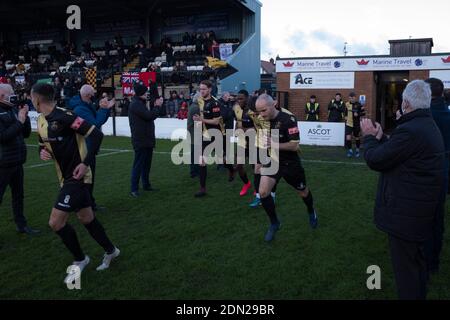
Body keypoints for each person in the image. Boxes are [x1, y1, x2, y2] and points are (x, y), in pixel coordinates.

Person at [361, 80, 445, 300]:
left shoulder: (411, 129)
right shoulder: (423, 124)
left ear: (405, 103)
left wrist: (369, 137)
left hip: (407, 214)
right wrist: (382, 138)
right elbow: (401, 152)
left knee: (407, 272)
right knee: (415, 265)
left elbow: (376, 160)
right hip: (418, 210)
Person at [33, 83, 120, 284]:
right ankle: (111, 250)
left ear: (36, 99)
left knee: (55, 222)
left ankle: (80, 259)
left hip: (78, 178)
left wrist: (85, 164)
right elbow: (41, 143)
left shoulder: (66, 116)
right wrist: (41, 152)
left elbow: (96, 134)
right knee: (86, 217)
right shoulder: (40, 120)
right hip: (64, 178)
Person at [255, 94, 318, 242]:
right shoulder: (261, 120)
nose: (261, 115)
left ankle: (311, 211)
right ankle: (274, 223)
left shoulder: (288, 119)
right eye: (259, 112)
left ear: (274, 104)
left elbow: (294, 145)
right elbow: (262, 141)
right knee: (263, 192)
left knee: (303, 192)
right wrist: (259, 159)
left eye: (264, 110)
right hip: (273, 160)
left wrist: (273, 144)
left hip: (291, 163)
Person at [0, 84, 40, 235]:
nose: (14, 95)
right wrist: (20, 121)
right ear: (1, 95)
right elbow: (3, 137)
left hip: (17, 161)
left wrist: (25, 118)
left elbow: (26, 134)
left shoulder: (13, 109)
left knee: (18, 195)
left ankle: (21, 225)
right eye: (10, 93)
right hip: (3, 163)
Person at [69, 85, 114, 211]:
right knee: (86, 179)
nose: (95, 94)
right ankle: (85, 204)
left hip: (87, 147)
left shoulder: (85, 106)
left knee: (87, 179)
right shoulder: (80, 109)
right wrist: (103, 109)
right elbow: (94, 125)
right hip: (84, 149)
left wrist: (105, 109)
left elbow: (98, 121)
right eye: (93, 93)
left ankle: (87, 203)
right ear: (88, 95)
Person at [424, 78, 450, 275]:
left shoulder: (423, 117)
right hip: (443, 174)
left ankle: (424, 260)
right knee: (437, 218)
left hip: (424, 174)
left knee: (422, 218)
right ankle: (433, 261)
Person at [192, 80, 232, 197]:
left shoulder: (215, 103)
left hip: (217, 134)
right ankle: (203, 189)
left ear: (209, 89)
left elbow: (215, 121)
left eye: (204, 89)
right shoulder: (199, 100)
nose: (202, 91)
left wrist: (202, 120)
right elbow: (201, 115)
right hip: (206, 135)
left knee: (222, 160)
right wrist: (198, 120)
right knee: (202, 161)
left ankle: (231, 170)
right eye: (200, 89)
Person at [128, 83, 163, 197]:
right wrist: (157, 106)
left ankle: (146, 185)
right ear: (140, 93)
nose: (147, 93)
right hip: (141, 140)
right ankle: (134, 189)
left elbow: (149, 116)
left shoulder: (140, 103)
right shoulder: (136, 104)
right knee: (138, 165)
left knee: (146, 165)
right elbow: (149, 116)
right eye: (145, 92)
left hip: (146, 139)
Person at [233, 90, 253, 196]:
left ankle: (258, 188)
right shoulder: (237, 110)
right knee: (238, 165)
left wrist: (244, 130)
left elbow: (257, 127)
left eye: (241, 98)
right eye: (238, 98)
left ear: (247, 98)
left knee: (256, 167)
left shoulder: (252, 110)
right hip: (242, 142)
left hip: (253, 143)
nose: (239, 100)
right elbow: (237, 123)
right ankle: (246, 183)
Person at [345, 92, 365, 158]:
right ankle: (350, 151)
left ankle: (357, 150)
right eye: (350, 98)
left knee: (357, 137)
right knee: (348, 137)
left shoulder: (359, 104)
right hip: (349, 123)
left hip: (356, 124)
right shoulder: (347, 104)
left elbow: (363, 113)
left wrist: (358, 114)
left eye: (352, 98)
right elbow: (345, 112)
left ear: (355, 98)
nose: (351, 99)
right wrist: (345, 116)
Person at [187, 93, 201, 178]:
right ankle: (194, 172)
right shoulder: (196, 108)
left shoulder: (193, 106)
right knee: (195, 154)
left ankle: (195, 171)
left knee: (195, 154)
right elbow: (197, 122)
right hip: (195, 133)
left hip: (193, 133)